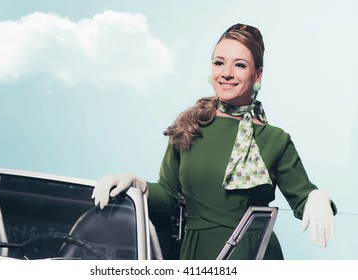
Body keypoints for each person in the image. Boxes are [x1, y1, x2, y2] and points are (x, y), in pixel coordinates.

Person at [91, 23, 337, 260]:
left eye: (240, 65)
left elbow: (303, 200)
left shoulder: (276, 140)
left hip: (254, 257)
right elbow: (168, 196)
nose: (226, 73)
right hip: (195, 256)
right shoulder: (189, 127)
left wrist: (317, 197)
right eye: (219, 63)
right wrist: (137, 185)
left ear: (257, 74)